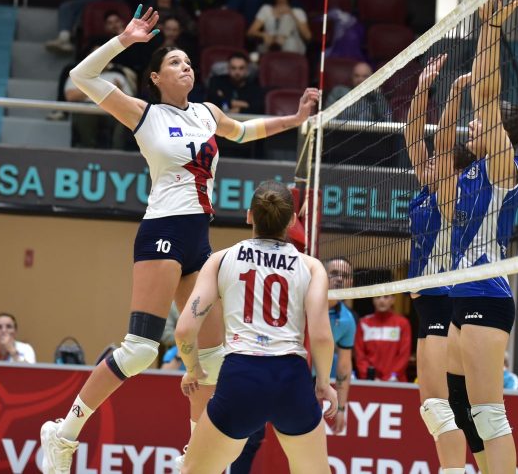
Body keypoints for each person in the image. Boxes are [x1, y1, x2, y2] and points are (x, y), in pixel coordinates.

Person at [39, 5, 319, 474]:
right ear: (155, 78)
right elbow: (81, 76)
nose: (185, 66)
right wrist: (125, 40)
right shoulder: (143, 114)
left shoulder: (208, 113)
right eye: (174, 62)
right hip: (163, 232)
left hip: (197, 240)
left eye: (188, 61)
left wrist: (295, 118)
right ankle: (63, 433)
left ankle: (195, 459)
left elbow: (245, 131)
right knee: (141, 350)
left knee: (212, 357)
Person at [175, 181, 337, 474]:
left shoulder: (221, 260)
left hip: (242, 377)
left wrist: (192, 367)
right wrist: (324, 384)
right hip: (292, 379)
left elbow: (185, 329)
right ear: (292, 220)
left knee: (192, 471)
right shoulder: (312, 267)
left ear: (249, 215)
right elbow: (322, 337)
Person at [448, 0, 518, 474]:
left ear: (499, 132)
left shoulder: (504, 167)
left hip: (487, 292)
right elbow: (479, 98)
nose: (473, 124)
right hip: (463, 294)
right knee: (459, 405)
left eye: (481, 123)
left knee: (487, 412)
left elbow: (485, 92)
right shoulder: (473, 169)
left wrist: (492, 29)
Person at [403, 53, 482, 472]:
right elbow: (413, 135)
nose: (428, 160)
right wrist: (422, 88)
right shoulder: (428, 190)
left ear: (452, 169)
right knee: (437, 407)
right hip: (427, 305)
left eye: (438, 159)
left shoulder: (451, 197)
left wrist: (453, 95)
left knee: (440, 406)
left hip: (443, 301)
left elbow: (442, 140)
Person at [63, 37, 136, 149]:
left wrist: (120, 91)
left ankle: (117, 153)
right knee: (85, 116)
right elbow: (70, 96)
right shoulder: (77, 75)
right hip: (87, 109)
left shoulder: (117, 76)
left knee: (125, 118)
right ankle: (88, 151)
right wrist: (102, 91)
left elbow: (131, 101)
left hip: (113, 111)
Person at [324, 257, 355, 436]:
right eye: (334, 274)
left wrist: (341, 408)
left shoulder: (347, 320)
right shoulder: (302, 304)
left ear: (350, 282)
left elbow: (344, 366)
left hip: (311, 385)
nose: (340, 279)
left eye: (345, 276)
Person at [353, 294, 411, 381]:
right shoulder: (363, 323)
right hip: (369, 382)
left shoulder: (403, 324)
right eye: (378, 297)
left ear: (393, 299)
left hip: (395, 382)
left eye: (386, 297)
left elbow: (403, 356)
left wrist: (388, 379)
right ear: (373, 300)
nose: (381, 300)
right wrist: (371, 377)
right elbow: (360, 355)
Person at [247, 0, 311, 55]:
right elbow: (250, 32)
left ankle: (278, 42)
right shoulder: (266, 9)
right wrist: (263, 35)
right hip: (270, 42)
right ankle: (277, 45)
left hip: (293, 45)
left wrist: (292, 14)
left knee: (287, 22)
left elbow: (308, 36)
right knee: (263, 46)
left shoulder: (298, 12)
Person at [325, 62, 391, 121]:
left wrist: (377, 95)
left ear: (372, 77)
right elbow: (327, 117)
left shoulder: (376, 95)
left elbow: (388, 119)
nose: (360, 79)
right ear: (351, 77)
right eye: (356, 76)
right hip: (340, 129)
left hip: (367, 130)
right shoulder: (338, 92)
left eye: (365, 76)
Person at [205, 51, 265, 116]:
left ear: (246, 70)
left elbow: (258, 109)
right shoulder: (217, 81)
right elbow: (210, 103)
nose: (237, 72)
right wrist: (239, 104)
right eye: (233, 68)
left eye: (241, 68)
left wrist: (239, 110)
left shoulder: (254, 88)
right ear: (228, 69)